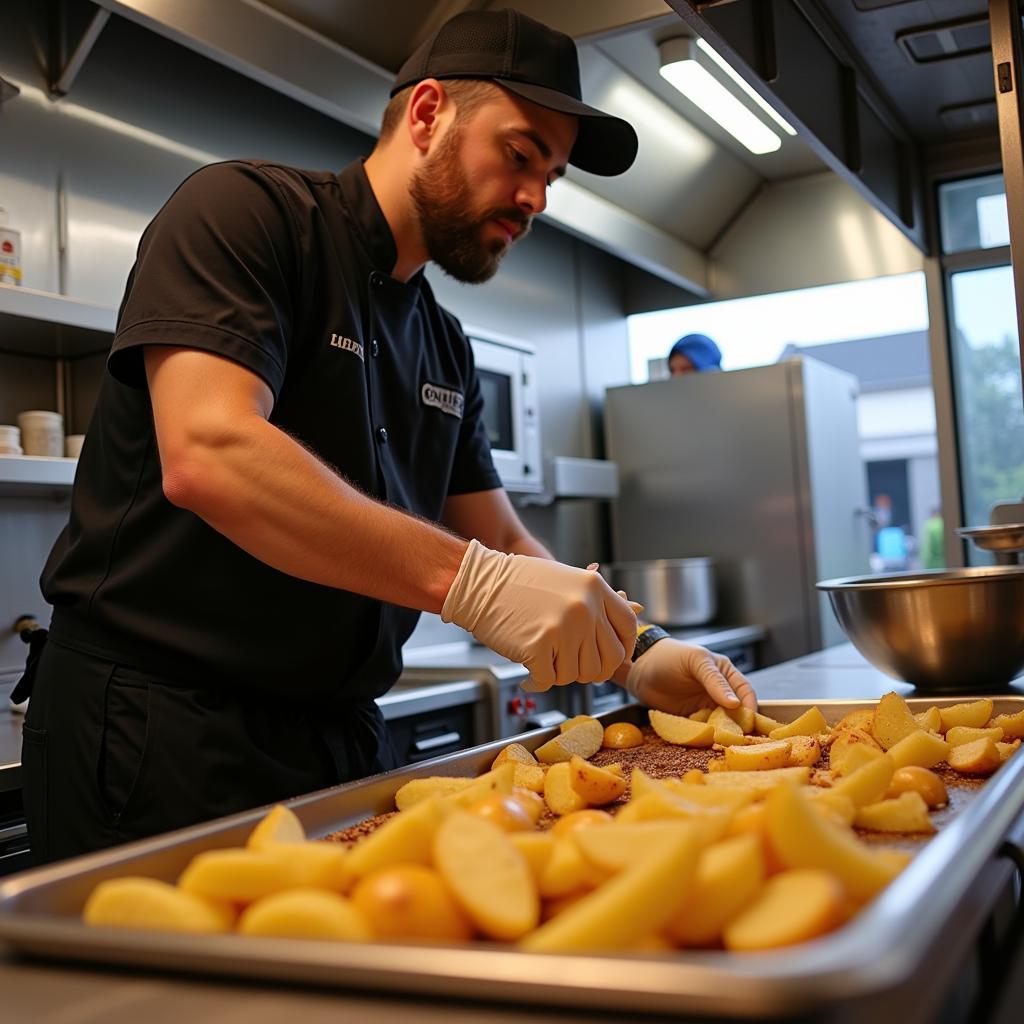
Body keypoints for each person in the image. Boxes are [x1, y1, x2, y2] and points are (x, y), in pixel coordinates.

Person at [16, 9, 757, 865]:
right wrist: (472, 585)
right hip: (157, 732)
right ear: (429, 112)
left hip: (337, 741)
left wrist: (636, 651)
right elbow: (210, 452)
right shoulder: (245, 215)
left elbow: (503, 537)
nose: (535, 198)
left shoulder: (444, 341)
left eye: (552, 177)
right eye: (521, 155)